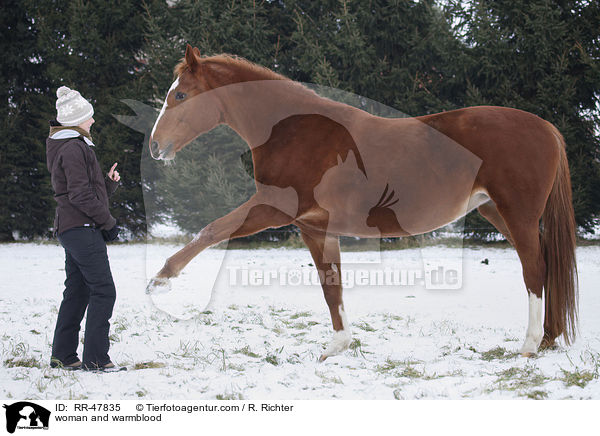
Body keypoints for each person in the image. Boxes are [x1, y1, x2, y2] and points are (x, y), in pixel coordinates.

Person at [46, 86, 124, 372]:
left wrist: (108, 184)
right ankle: (97, 359)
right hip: (82, 229)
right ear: (77, 120)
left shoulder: (70, 146)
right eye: (88, 117)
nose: (92, 121)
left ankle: (63, 355)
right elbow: (80, 196)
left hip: (72, 228)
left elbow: (79, 191)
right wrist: (109, 223)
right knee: (104, 290)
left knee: (77, 292)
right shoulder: (73, 147)